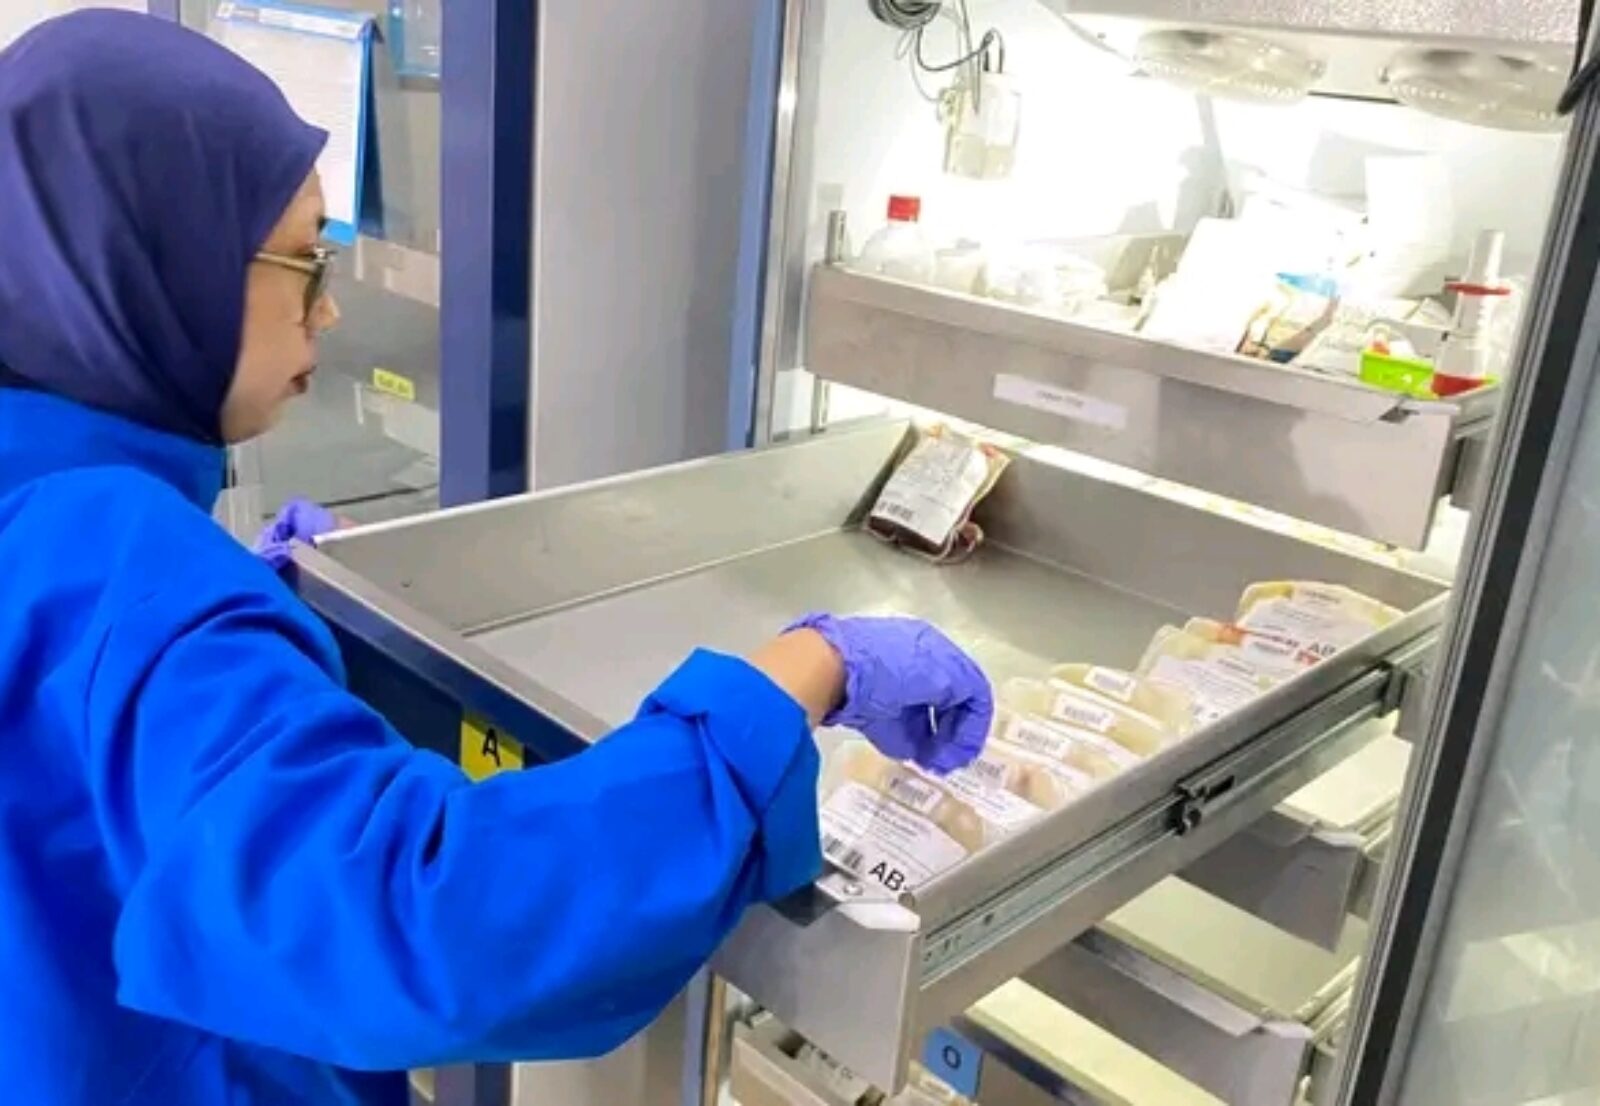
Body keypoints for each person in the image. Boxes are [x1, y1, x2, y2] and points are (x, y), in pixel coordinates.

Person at [0, 13, 994, 1106]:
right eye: (305, 259)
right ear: (154, 259)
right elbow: (422, 921)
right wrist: (801, 673)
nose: (329, 306)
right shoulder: (121, 563)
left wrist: (241, 620)